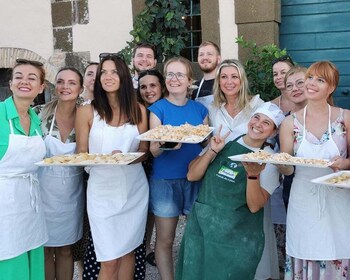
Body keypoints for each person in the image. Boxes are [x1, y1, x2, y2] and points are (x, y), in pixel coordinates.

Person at [176, 102, 285, 280]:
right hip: (202, 228)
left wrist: (253, 176)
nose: (258, 124)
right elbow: (192, 175)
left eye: (266, 123)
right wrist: (212, 151)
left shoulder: (269, 160)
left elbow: (255, 206)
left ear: (273, 132)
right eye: (256, 118)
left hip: (237, 238)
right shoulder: (225, 139)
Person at [75, 52, 149, 280]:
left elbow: (144, 153)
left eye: (114, 72)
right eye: (103, 72)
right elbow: (81, 153)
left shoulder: (138, 110)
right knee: (108, 259)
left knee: (128, 254)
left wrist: (125, 157)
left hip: (134, 189)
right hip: (101, 192)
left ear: (124, 76)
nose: (107, 76)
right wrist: (105, 158)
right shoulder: (86, 111)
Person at [279, 61, 350, 279]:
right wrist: (279, 163)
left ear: (331, 87)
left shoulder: (345, 117)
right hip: (303, 199)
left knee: (338, 249)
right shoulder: (289, 123)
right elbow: (287, 169)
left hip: (338, 199)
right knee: (305, 248)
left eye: (320, 80)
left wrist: (344, 164)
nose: (311, 83)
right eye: (310, 77)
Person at [148, 56, 209, 280]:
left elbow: (205, 143)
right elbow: (153, 150)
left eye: (179, 75)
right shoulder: (157, 109)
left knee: (195, 237)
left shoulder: (200, 110)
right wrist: (168, 142)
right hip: (165, 181)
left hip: (195, 178)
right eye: (170, 75)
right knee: (165, 239)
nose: (174, 79)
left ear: (189, 80)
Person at [34, 67, 84, 280]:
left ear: (80, 88)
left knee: (65, 249)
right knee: (44, 249)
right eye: (61, 82)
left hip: (71, 196)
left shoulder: (86, 116)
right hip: (42, 194)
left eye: (72, 83)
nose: (65, 87)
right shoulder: (39, 113)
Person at [0, 59, 48, 279]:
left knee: (32, 257)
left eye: (32, 78)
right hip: (4, 208)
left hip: (30, 205)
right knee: (10, 262)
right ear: (10, 84)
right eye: (18, 77)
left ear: (41, 87)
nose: (24, 82)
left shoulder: (35, 119)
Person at [136, 69, 166, 268]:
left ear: (162, 88)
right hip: (141, 163)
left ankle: (149, 246)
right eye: (143, 87)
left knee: (156, 209)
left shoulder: (166, 108)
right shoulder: (136, 110)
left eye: (153, 85)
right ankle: (142, 247)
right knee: (142, 209)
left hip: (161, 163)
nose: (148, 90)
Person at [269, 54, 295, 274]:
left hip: (303, 174)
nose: (279, 77)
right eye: (275, 73)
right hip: (278, 175)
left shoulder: (306, 102)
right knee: (280, 230)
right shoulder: (270, 106)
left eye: (283, 72)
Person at [209, 59, 264, 142]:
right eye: (224, 77)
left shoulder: (257, 105)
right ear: (218, 82)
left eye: (234, 77)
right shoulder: (214, 108)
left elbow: (269, 141)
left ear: (242, 81)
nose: (229, 82)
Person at [281, 66, 308, 210]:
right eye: (289, 86)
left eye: (300, 83)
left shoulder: (336, 117)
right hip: (295, 187)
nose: (294, 88)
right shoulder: (286, 122)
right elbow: (286, 163)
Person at [191, 41, 221, 108]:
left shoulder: (225, 84)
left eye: (209, 54)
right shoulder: (193, 87)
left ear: (218, 59)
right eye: (201, 55)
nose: (205, 58)